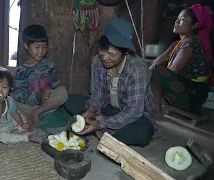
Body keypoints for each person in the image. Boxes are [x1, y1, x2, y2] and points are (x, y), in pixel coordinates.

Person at [65, 18, 160, 147]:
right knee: (69, 99)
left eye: (111, 54)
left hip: (135, 116)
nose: (105, 58)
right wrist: (90, 111)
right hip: (108, 109)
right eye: (102, 51)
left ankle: (100, 128)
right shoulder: (97, 62)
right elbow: (97, 95)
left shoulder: (137, 69)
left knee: (142, 133)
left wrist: (102, 123)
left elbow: (134, 112)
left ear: (125, 52)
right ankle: (102, 128)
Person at [150, 4, 212, 117]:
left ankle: (156, 112)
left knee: (155, 71)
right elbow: (155, 63)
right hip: (181, 89)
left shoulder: (192, 43)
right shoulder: (176, 44)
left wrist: (150, 72)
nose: (176, 22)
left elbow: (171, 72)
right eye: (177, 19)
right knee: (150, 67)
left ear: (194, 25)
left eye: (182, 19)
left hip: (192, 96)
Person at [12, 24, 68, 128]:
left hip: (45, 104)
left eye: (44, 47)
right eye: (37, 47)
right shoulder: (21, 71)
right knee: (12, 101)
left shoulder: (49, 64)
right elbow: (18, 95)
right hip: (28, 105)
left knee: (63, 91)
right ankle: (32, 114)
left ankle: (36, 113)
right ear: (26, 46)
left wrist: (48, 94)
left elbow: (56, 85)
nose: (41, 51)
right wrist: (38, 97)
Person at [0, 66, 43, 144]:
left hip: (8, 124)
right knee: (3, 137)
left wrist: (22, 123)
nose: (0, 90)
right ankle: (25, 137)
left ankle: (21, 130)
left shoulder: (9, 100)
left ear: (9, 88)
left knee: (22, 118)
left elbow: (14, 113)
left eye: (4, 87)